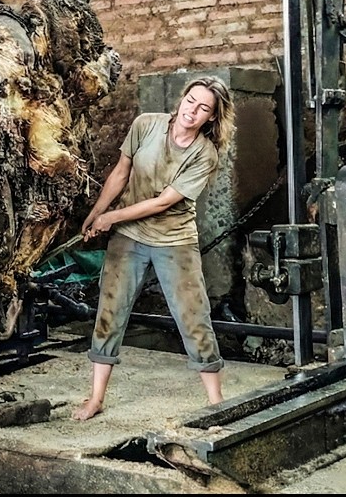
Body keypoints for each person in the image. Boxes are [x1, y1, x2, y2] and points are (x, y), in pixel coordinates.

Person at [71, 75, 236, 421]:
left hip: (174, 240)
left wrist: (112, 217)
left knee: (193, 316)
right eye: (192, 100)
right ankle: (96, 398)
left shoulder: (204, 154)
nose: (194, 110)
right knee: (109, 313)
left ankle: (216, 402)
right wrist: (97, 213)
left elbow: (163, 203)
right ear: (183, 98)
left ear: (211, 118)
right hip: (128, 237)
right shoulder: (146, 125)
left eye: (204, 108)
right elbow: (121, 172)